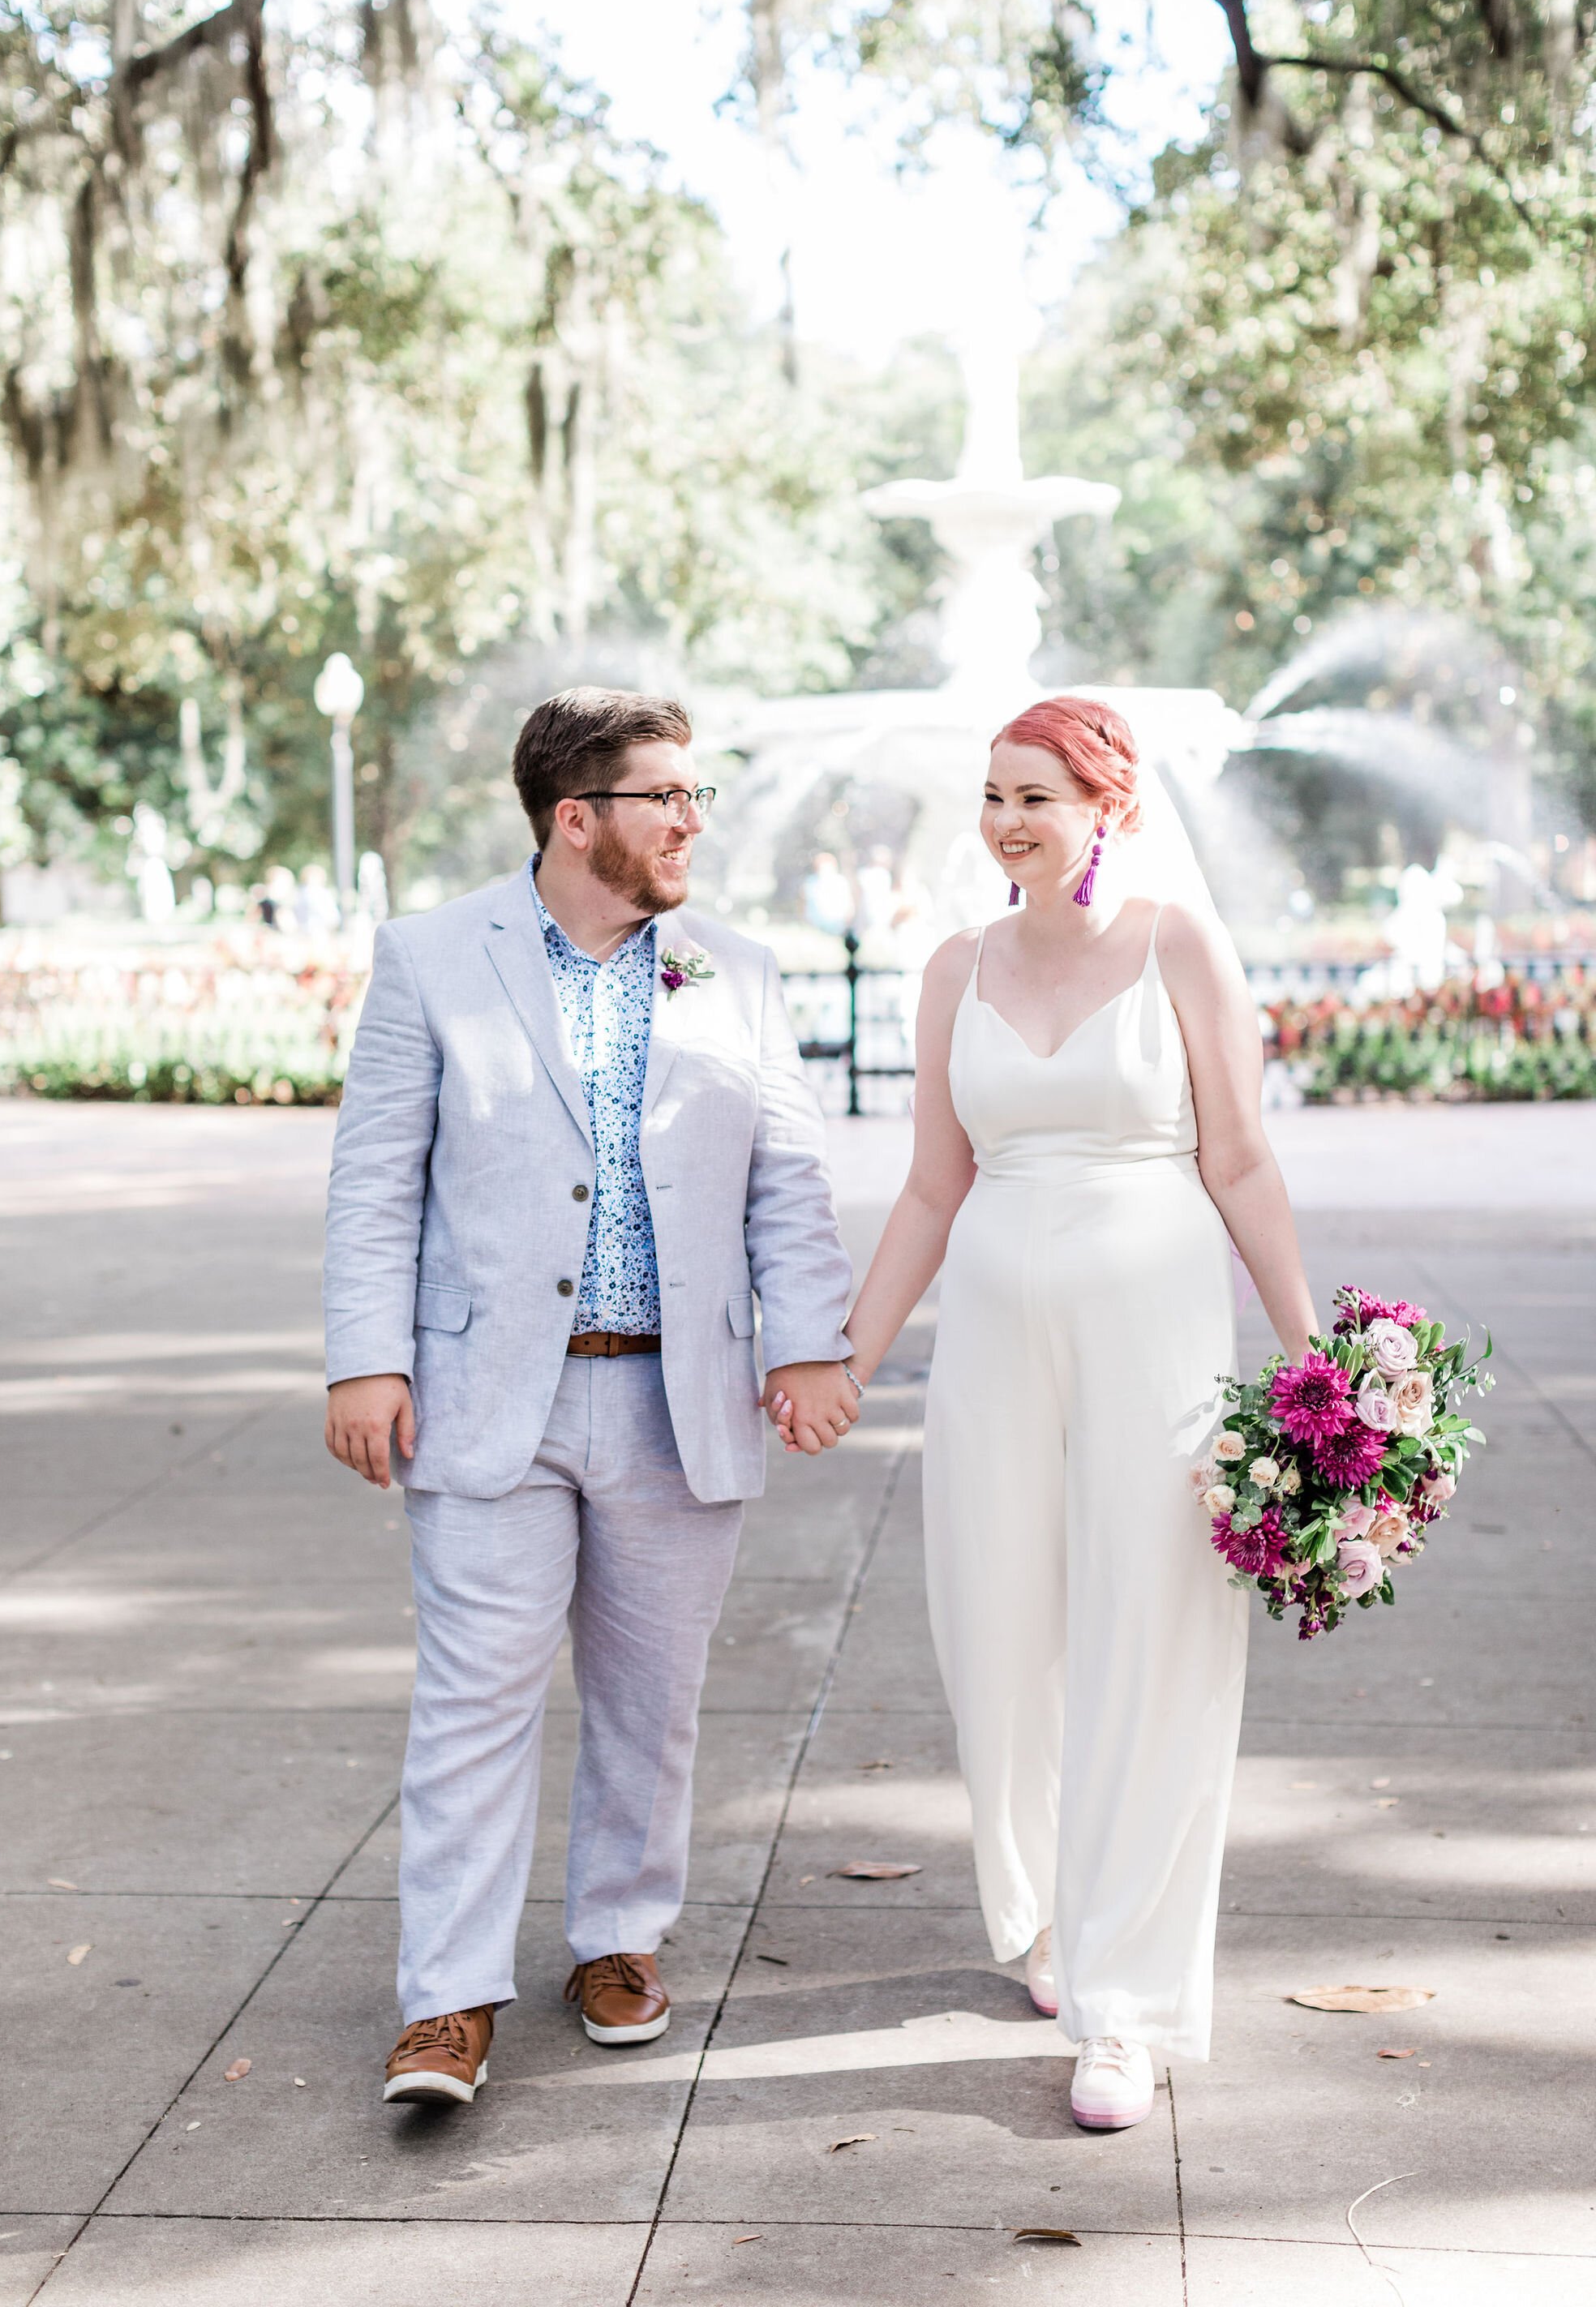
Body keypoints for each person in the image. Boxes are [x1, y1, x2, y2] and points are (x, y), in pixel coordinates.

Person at [322, 687, 856, 2108]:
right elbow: (375, 1177)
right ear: (578, 817)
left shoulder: (733, 970)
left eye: (698, 797)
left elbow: (785, 1177)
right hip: (487, 1395)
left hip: (678, 1403)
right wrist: (364, 1356)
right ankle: (447, 1999)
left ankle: (616, 1940)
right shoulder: (434, 957)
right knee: (473, 1703)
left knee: (649, 1702)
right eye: (667, 797)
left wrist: (806, 1346)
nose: (694, 822)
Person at [828, 696, 1318, 2134]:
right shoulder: (955, 967)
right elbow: (932, 1184)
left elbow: (1242, 1161)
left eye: (1036, 795)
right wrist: (849, 1359)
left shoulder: (1177, 943)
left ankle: (1128, 2010)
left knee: (1153, 1635)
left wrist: (1319, 1370)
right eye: (992, 795)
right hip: (990, 1335)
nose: (1005, 821)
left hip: (1154, 1323)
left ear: (1109, 806)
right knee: (998, 1635)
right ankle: (1042, 1915)